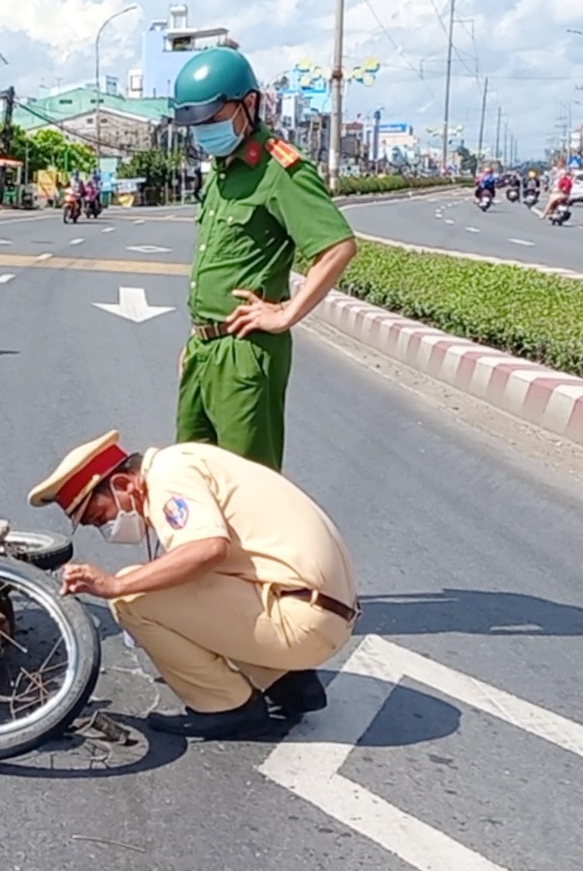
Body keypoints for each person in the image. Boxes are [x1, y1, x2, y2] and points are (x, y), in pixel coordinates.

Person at [28, 430, 359, 739]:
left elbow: (207, 549)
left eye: (101, 516)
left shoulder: (168, 480)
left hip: (302, 619)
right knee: (156, 579)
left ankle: (227, 706)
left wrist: (115, 585)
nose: (108, 527)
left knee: (132, 598)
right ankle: (287, 682)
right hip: (321, 609)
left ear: (123, 484)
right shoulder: (184, 460)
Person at [171, 46, 358, 472]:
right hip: (204, 350)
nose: (203, 132)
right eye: (196, 124)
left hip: (245, 354)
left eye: (213, 119)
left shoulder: (280, 170)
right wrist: (198, 340)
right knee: (193, 480)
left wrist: (286, 313)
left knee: (246, 489)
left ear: (249, 105)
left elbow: (337, 246)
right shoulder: (222, 171)